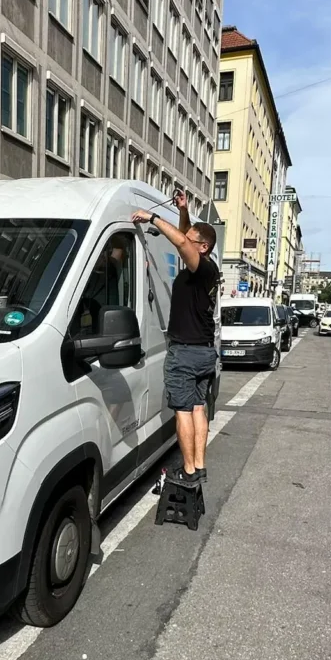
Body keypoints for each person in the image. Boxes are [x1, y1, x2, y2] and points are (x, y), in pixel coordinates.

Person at [131, 191, 219, 488]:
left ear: (203, 247)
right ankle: (200, 466)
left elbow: (181, 242)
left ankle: (190, 469)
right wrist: (184, 210)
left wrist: (152, 216)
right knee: (198, 408)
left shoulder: (203, 267)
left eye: (193, 242)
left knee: (183, 411)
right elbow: (184, 237)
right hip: (204, 352)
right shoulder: (203, 270)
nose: (185, 243)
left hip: (186, 354)